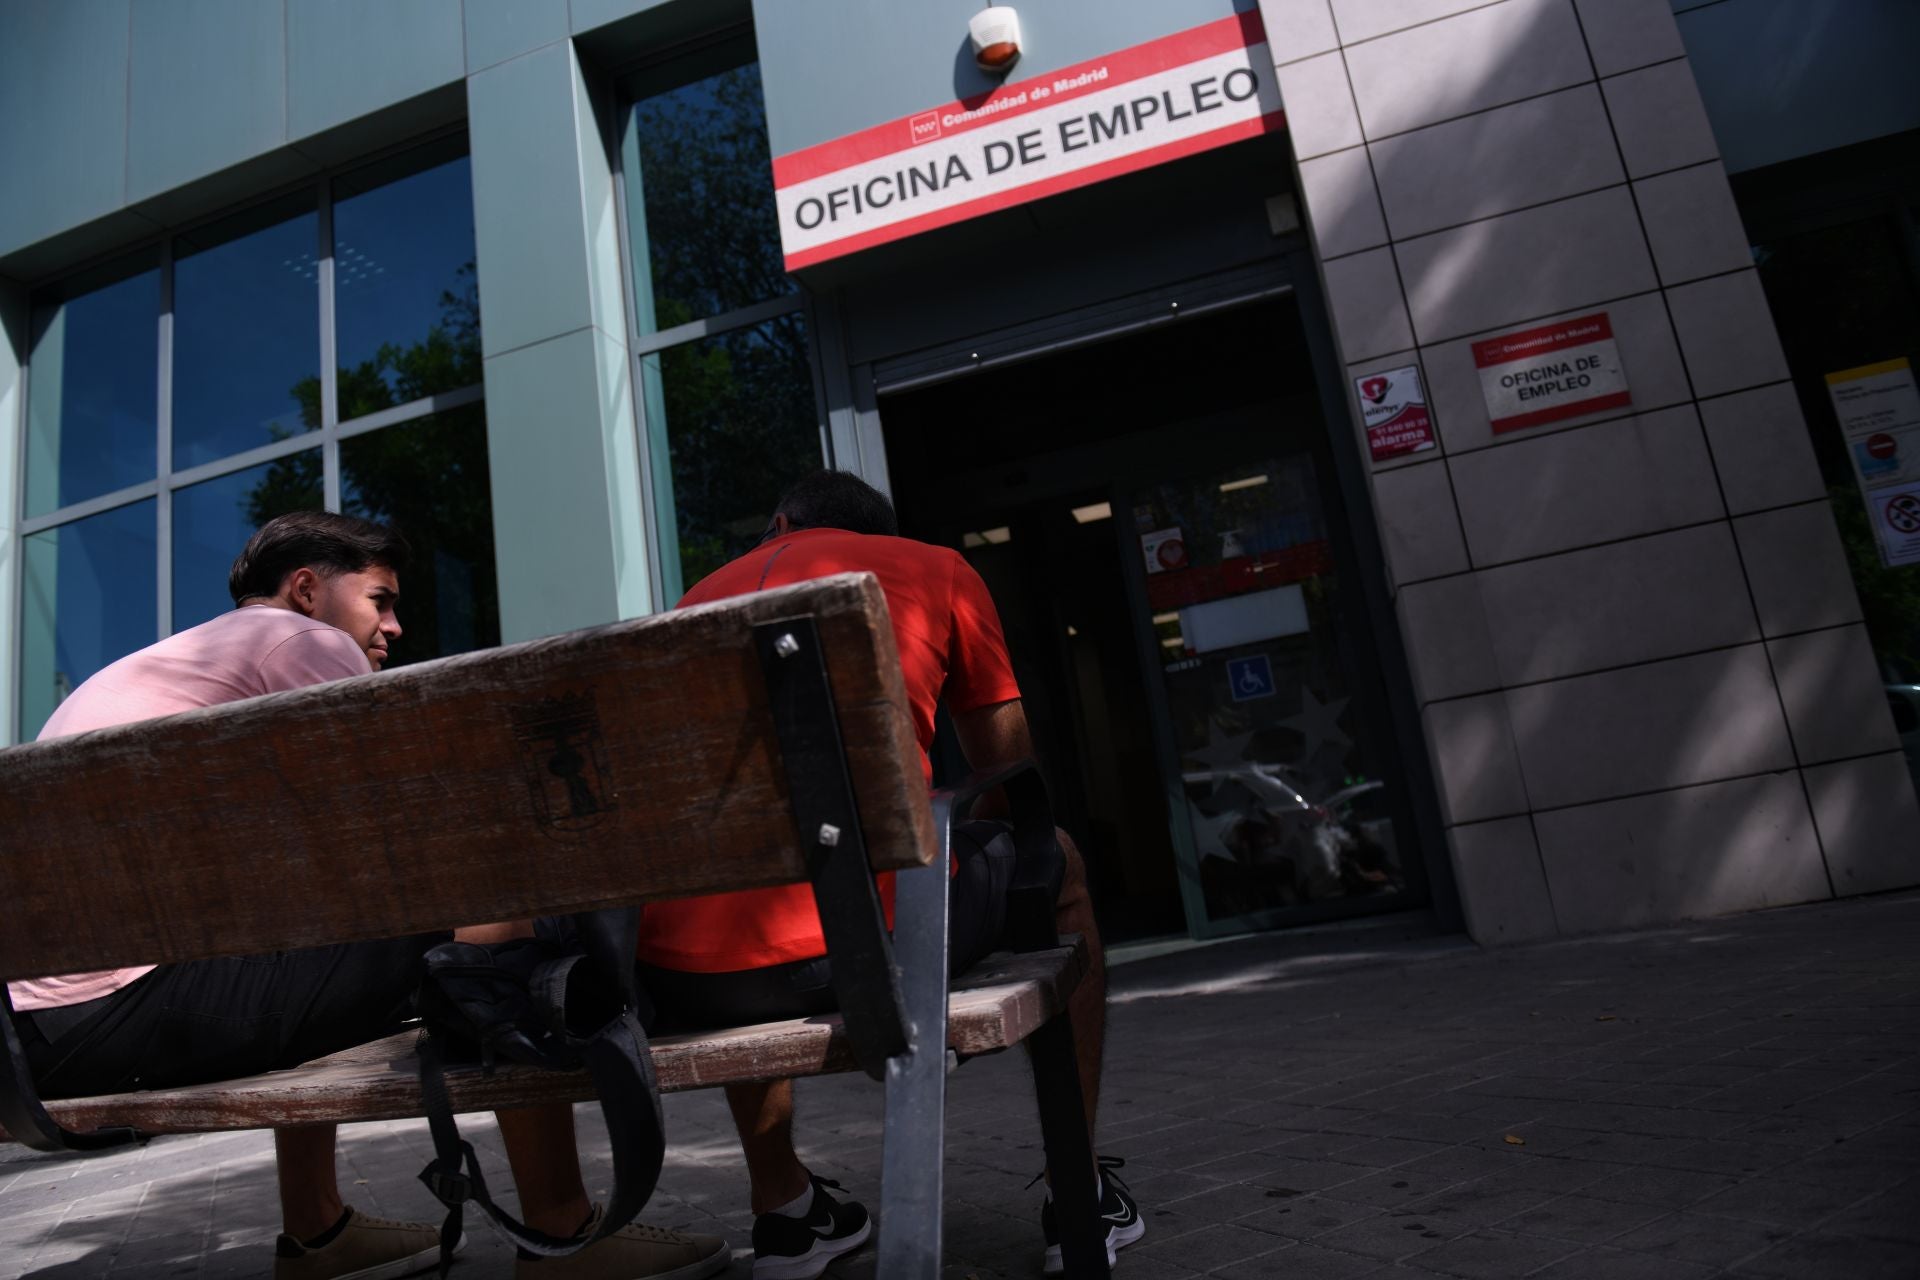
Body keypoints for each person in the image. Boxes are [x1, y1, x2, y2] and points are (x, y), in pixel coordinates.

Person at [7, 512, 728, 1280]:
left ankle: (319, 1232)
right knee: (493, 892)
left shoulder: (165, 669)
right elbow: (405, 832)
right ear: (308, 591)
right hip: (121, 1007)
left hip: (40, 1035)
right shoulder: (300, 641)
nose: (395, 625)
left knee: (306, 922)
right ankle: (564, 1234)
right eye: (379, 600)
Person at [637, 470, 1144, 1278]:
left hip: (691, 977)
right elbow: (1012, 784)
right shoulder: (935, 569)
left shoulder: (687, 606)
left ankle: (785, 1209)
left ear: (778, 523)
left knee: (735, 895)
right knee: (1061, 866)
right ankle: (1074, 1186)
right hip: (870, 946)